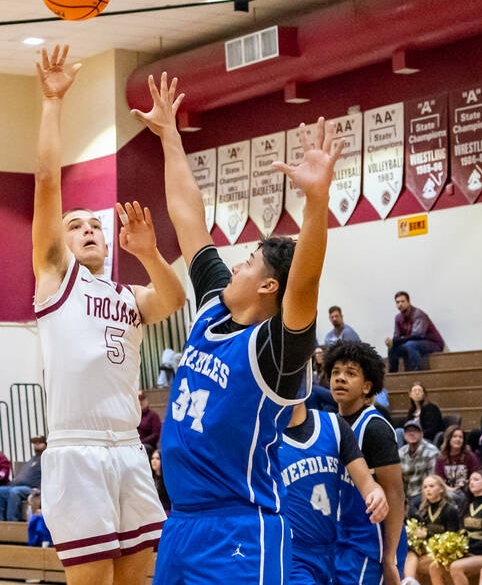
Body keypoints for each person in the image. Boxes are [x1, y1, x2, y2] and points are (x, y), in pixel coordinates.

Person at [135, 74, 340, 585]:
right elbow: (188, 219)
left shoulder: (275, 349)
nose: (237, 265)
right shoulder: (212, 310)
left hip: (239, 532)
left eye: (248, 261)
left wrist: (316, 204)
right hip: (181, 524)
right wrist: (169, 138)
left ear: (270, 286)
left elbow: (306, 280)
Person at [32, 50, 186, 582]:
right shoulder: (56, 278)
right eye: (75, 226)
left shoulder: (127, 294)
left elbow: (172, 302)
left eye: (93, 224)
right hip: (77, 449)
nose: (88, 229)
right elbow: (48, 183)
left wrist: (148, 253)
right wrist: (53, 102)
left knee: (138, 578)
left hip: (127, 449)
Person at [328, 340, 408, 585]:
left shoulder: (375, 428)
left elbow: (394, 492)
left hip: (373, 544)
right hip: (341, 540)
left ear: (367, 386)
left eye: (350, 374)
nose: (340, 379)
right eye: (335, 372)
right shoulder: (329, 426)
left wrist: (390, 557)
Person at [280, 404, 388, 585]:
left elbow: (367, 483)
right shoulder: (265, 436)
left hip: (331, 549)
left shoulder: (333, 424)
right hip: (291, 553)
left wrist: (376, 493)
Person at [430, 470, 482, 585]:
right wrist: (457, 549)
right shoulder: (467, 505)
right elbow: (462, 533)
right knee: (435, 566)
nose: (471, 482)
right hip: (468, 551)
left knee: (456, 567)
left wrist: (467, 549)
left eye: (476, 479)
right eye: (470, 480)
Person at [404, 474, 459, 584]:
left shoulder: (450, 510)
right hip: (427, 550)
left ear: (441, 489)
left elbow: (453, 537)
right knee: (410, 555)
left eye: (431, 486)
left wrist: (427, 535)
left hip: (445, 552)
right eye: (425, 487)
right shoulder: (423, 510)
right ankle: (409, 582)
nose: (427, 490)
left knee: (421, 565)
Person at [0, 436, 47, 521]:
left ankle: (12, 521)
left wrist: (39, 489)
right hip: (16, 486)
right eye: (35, 443)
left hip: (31, 489)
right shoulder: (33, 459)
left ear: (46, 444)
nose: (36, 445)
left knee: (15, 492)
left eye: (40, 442)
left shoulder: (46, 458)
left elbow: (48, 476)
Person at [387, 292, 445, 372]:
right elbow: (397, 336)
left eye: (402, 301)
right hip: (412, 343)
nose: (400, 304)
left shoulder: (418, 314)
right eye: (397, 302)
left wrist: (396, 340)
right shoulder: (397, 318)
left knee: (410, 345)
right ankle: (393, 375)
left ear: (408, 302)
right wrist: (392, 342)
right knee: (392, 347)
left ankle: (416, 373)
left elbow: (417, 335)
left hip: (434, 343)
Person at [399, 418, 441, 508]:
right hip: (406, 496)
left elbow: (434, 479)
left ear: (421, 434)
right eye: (408, 431)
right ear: (404, 435)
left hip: (424, 494)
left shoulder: (432, 452)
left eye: (415, 431)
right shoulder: (400, 453)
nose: (411, 433)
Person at [435, 426, 482, 494]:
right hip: (447, 491)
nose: (458, 439)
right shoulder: (441, 458)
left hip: (466, 492)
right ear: (448, 439)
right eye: (454, 436)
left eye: (460, 437)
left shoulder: (470, 456)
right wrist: (450, 489)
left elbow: (476, 475)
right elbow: (439, 479)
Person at [305, 347, 340, 413]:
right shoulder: (315, 372)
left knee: (310, 387)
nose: (318, 355)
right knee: (312, 396)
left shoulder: (332, 369)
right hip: (324, 402)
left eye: (320, 353)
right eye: (316, 354)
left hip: (333, 396)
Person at [149, 449, 171, 514]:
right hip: (155, 510)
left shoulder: (167, 479)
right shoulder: (151, 477)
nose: (154, 461)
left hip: (166, 510)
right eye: (152, 458)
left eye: (157, 459)